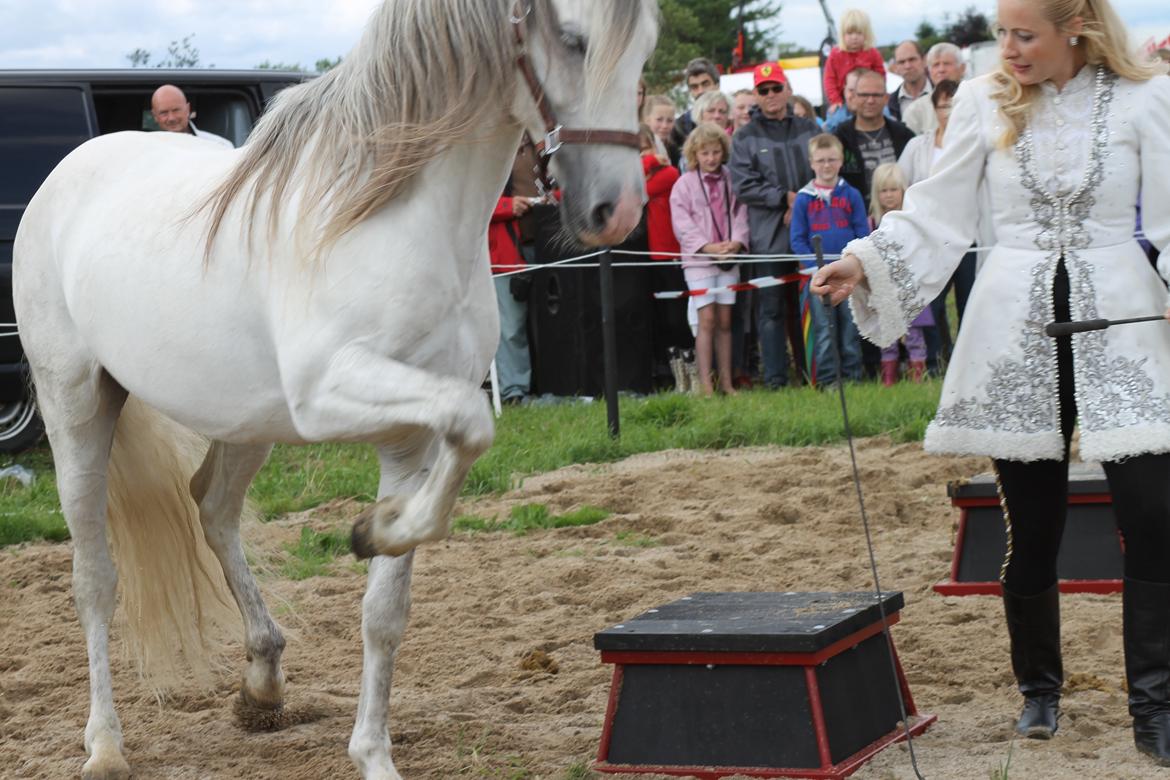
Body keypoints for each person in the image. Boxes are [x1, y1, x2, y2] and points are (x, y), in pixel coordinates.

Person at [811, 0, 1170, 763]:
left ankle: (1156, 705)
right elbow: (938, 212)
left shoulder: (1145, 97)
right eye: (1002, 32)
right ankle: (1039, 690)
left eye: (1024, 34)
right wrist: (864, 261)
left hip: (1125, 325)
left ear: (1076, 26)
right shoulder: (980, 99)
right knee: (1033, 528)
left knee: (1155, 515)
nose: (1007, 47)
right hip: (1015, 329)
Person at [730, 61, 818, 389]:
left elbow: (824, 168)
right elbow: (743, 184)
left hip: (809, 231)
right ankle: (776, 379)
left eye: (776, 88)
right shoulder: (744, 137)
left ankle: (814, 373)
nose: (770, 95)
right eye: (763, 90)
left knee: (811, 303)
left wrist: (800, 202)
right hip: (768, 235)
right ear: (756, 94)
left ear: (787, 89)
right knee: (770, 310)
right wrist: (784, 198)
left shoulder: (809, 128)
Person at [671, 123, 750, 396]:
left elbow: (741, 212)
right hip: (699, 262)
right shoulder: (684, 184)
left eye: (716, 152)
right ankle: (706, 385)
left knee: (725, 321)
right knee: (706, 320)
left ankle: (726, 383)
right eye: (705, 153)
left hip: (728, 257)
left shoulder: (732, 178)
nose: (711, 158)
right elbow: (682, 224)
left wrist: (736, 242)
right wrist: (707, 247)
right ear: (694, 154)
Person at [789, 134, 868, 387]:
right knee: (824, 329)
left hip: (847, 275)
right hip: (819, 278)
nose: (826, 165)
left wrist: (855, 261)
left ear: (841, 161)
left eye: (832, 159)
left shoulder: (852, 195)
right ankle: (827, 380)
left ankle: (853, 377)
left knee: (850, 327)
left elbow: (862, 233)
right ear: (812, 162)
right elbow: (797, 240)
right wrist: (816, 270)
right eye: (821, 160)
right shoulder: (803, 199)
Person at [868, 162, 932, 384]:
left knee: (915, 336)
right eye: (883, 190)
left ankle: (918, 379)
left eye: (893, 189)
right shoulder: (872, 223)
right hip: (884, 289)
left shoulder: (912, 220)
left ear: (903, 190)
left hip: (910, 285)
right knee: (887, 336)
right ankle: (888, 380)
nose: (889, 195)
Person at [639, 124, 689, 389]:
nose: (640, 156)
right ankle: (672, 375)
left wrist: (648, 162)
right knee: (659, 320)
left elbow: (636, 191)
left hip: (668, 255)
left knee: (676, 318)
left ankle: (690, 374)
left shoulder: (667, 173)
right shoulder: (649, 170)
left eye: (645, 149)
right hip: (645, 256)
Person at [836, 69, 916, 214]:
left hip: (900, 216)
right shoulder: (839, 139)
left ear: (886, 98)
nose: (870, 100)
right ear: (854, 97)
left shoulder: (904, 135)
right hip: (856, 218)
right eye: (864, 95)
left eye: (876, 95)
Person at [487, 179, 534, 405]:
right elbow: (471, 205)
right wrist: (508, 207)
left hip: (527, 251)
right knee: (510, 328)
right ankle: (514, 392)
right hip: (501, 258)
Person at [822, 10, 886, 127]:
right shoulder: (835, 54)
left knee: (886, 115)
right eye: (850, 33)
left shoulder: (872, 53)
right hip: (843, 101)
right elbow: (829, 79)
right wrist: (835, 100)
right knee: (836, 120)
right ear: (843, 35)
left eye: (859, 33)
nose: (854, 37)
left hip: (870, 98)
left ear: (866, 34)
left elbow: (881, 76)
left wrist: (878, 94)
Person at [903, 42, 967, 134]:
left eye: (947, 64)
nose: (941, 70)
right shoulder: (915, 111)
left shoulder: (977, 99)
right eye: (936, 65)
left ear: (962, 68)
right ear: (929, 71)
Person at [150, 85, 234, 148]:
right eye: (164, 113)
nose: (171, 118)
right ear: (155, 116)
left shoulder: (220, 146)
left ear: (188, 109)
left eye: (176, 110)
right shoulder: (148, 149)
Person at [670, 58, 721, 154]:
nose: (700, 91)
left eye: (705, 84)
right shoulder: (680, 127)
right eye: (694, 87)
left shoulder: (733, 118)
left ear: (717, 85)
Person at [888, 40, 932, 122]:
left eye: (912, 59)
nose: (907, 66)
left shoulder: (942, 93)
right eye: (901, 62)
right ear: (896, 67)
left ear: (924, 60)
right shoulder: (891, 102)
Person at [644, 94, 680, 167]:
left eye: (670, 120)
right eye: (659, 120)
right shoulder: (640, 148)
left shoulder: (674, 150)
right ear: (647, 120)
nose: (665, 126)